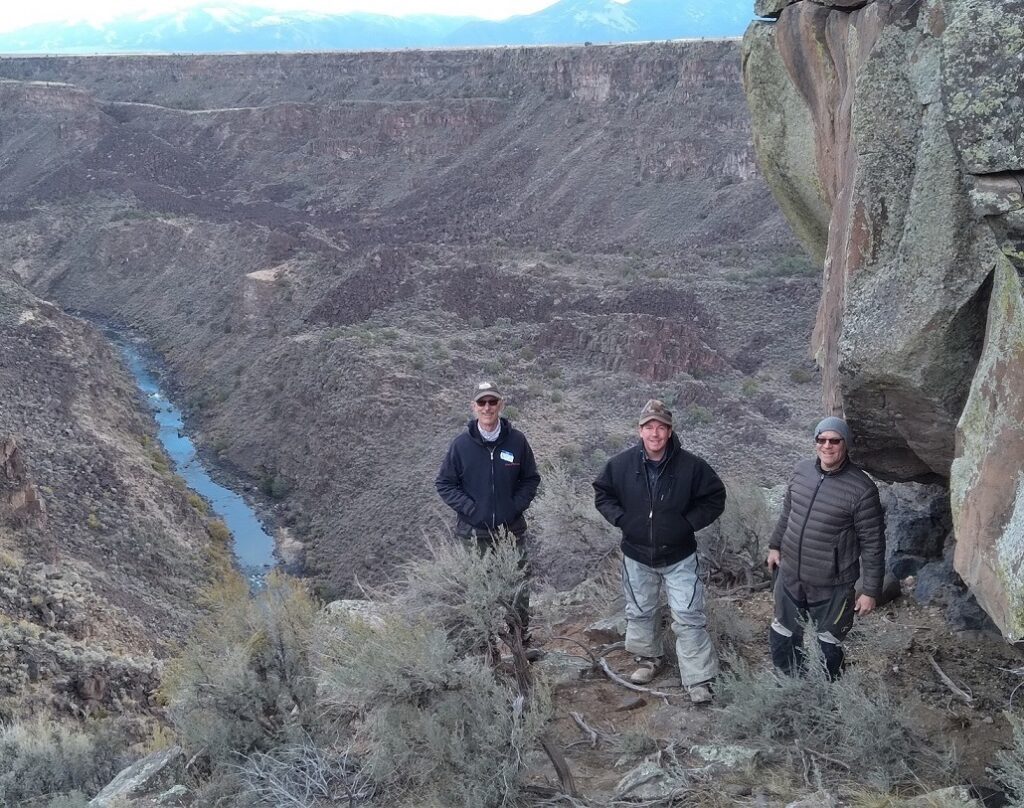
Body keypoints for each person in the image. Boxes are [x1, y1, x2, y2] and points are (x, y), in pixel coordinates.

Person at [593, 399, 726, 704]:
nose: (655, 433)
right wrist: (623, 520)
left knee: (688, 615)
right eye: (649, 427)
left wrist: (687, 524)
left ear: (669, 431)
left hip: (680, 556)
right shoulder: (621, 465)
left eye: (661, 427)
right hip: (637, 555)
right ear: (640, 431)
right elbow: (603, 493)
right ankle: (647, 660)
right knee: (640, 611)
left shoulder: (691, 466)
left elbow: (715, 498)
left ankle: (698, 678)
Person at [766, 416, 884, 679]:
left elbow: (873, 543)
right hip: (791, 574)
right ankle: (789, 684)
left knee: (828, 643)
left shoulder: (862, 489)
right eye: (821, 439)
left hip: (832, 584)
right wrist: (775, 545)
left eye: (834, 440)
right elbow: (788, 513)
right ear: (815, 442)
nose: (827, 446)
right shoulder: (801, 471)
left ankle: (829, 695)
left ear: (846, 444)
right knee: (784, 632)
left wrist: (871, 591)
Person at [435, 381, 541, 642]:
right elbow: (444, 483)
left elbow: (530, 479)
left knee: (517, 590)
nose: (487, 407)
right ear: (474, 407)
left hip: (511, 533)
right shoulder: (461, 445)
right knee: (477, 592)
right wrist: (470, 508)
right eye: (482, 402)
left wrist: (514, 507)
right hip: (474, 536)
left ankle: (520, 642)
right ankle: (483, 647)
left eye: (492, 402)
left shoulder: (517, 441)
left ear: (500, 405)